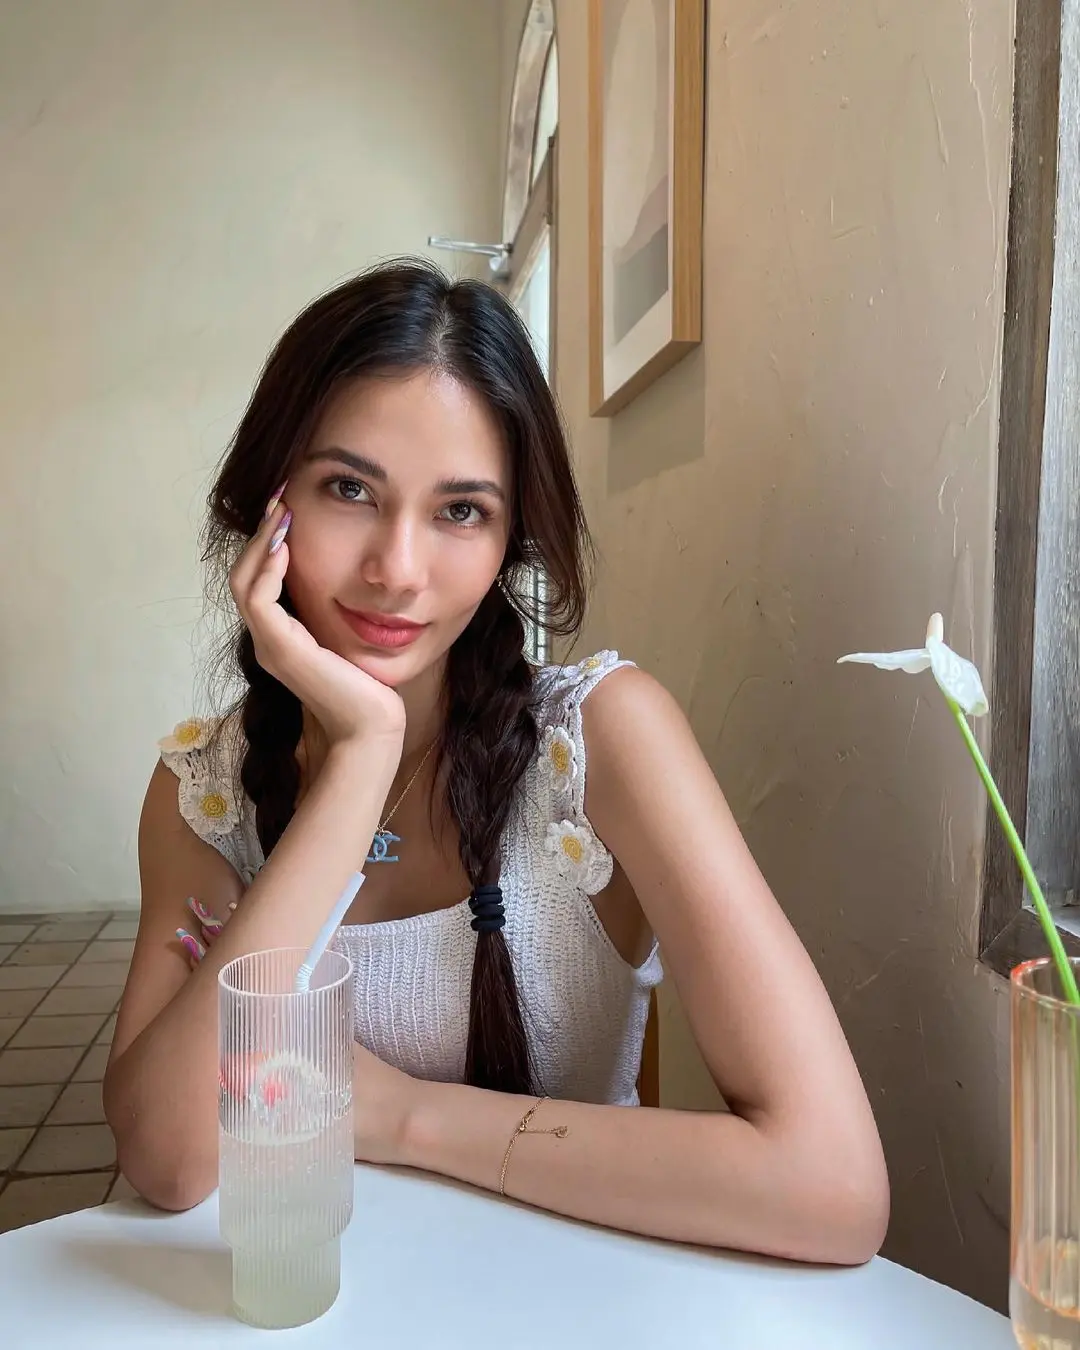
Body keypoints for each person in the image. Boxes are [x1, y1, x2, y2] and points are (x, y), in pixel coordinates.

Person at [103, 258, 889, 1264]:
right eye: (350, 489)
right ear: (272, 499)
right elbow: (169, 1159)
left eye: (461, 510)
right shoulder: (203, 794)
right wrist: (361, 758)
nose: (397, 570)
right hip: (313, 1307)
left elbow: (832, 1187)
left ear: (512, 534)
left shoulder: (601, 743)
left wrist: (402, 1116)